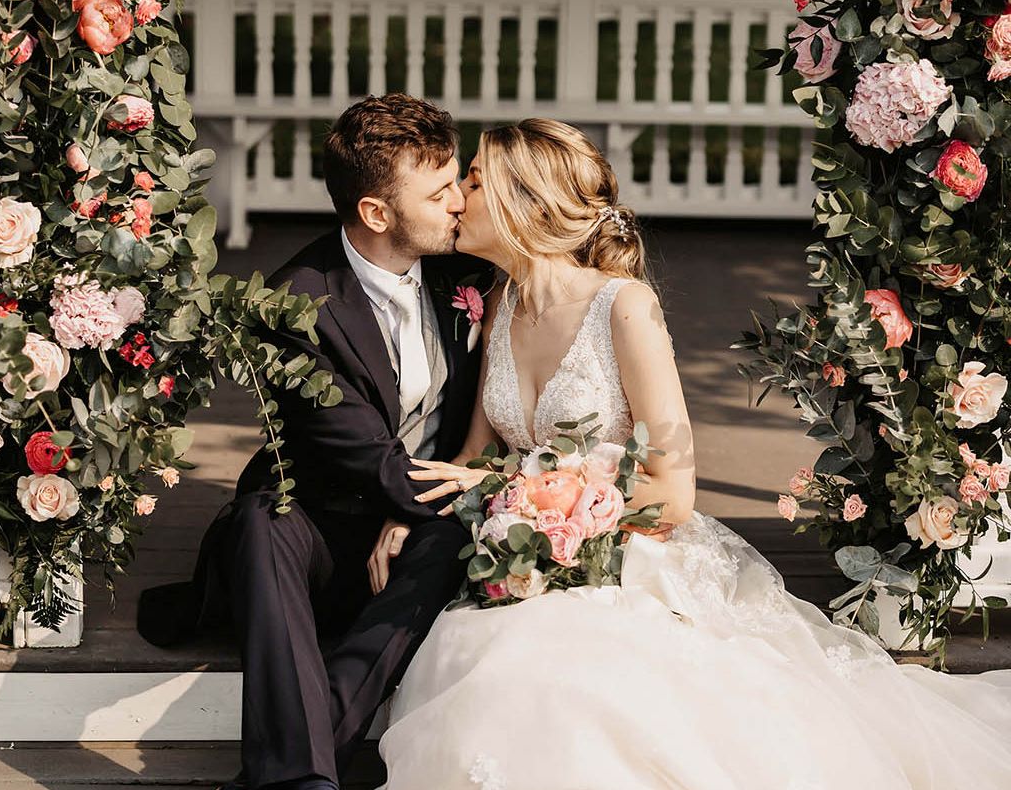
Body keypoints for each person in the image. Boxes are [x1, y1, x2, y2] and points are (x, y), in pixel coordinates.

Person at [376, 117, 1011, 790]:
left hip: (629, 557)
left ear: (523, 202)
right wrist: (414, 511)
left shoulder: (625, 307)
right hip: (527, 555)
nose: (455, 198)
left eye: (472, 182)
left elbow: (674, 495)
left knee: (551, 674)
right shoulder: (501, 302)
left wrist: (548, 511)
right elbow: (478, 455)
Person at [137, 94, 488, 790]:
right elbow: (366, 456)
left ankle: (300, 765)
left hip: (413, 539)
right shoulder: (296, 301)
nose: (460, 201)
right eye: (440, 189)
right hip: (319, 531)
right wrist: (409, 503)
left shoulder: (465, 272)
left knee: (453, 537)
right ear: (376, 214)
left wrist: (412, 516)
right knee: (263, 523)